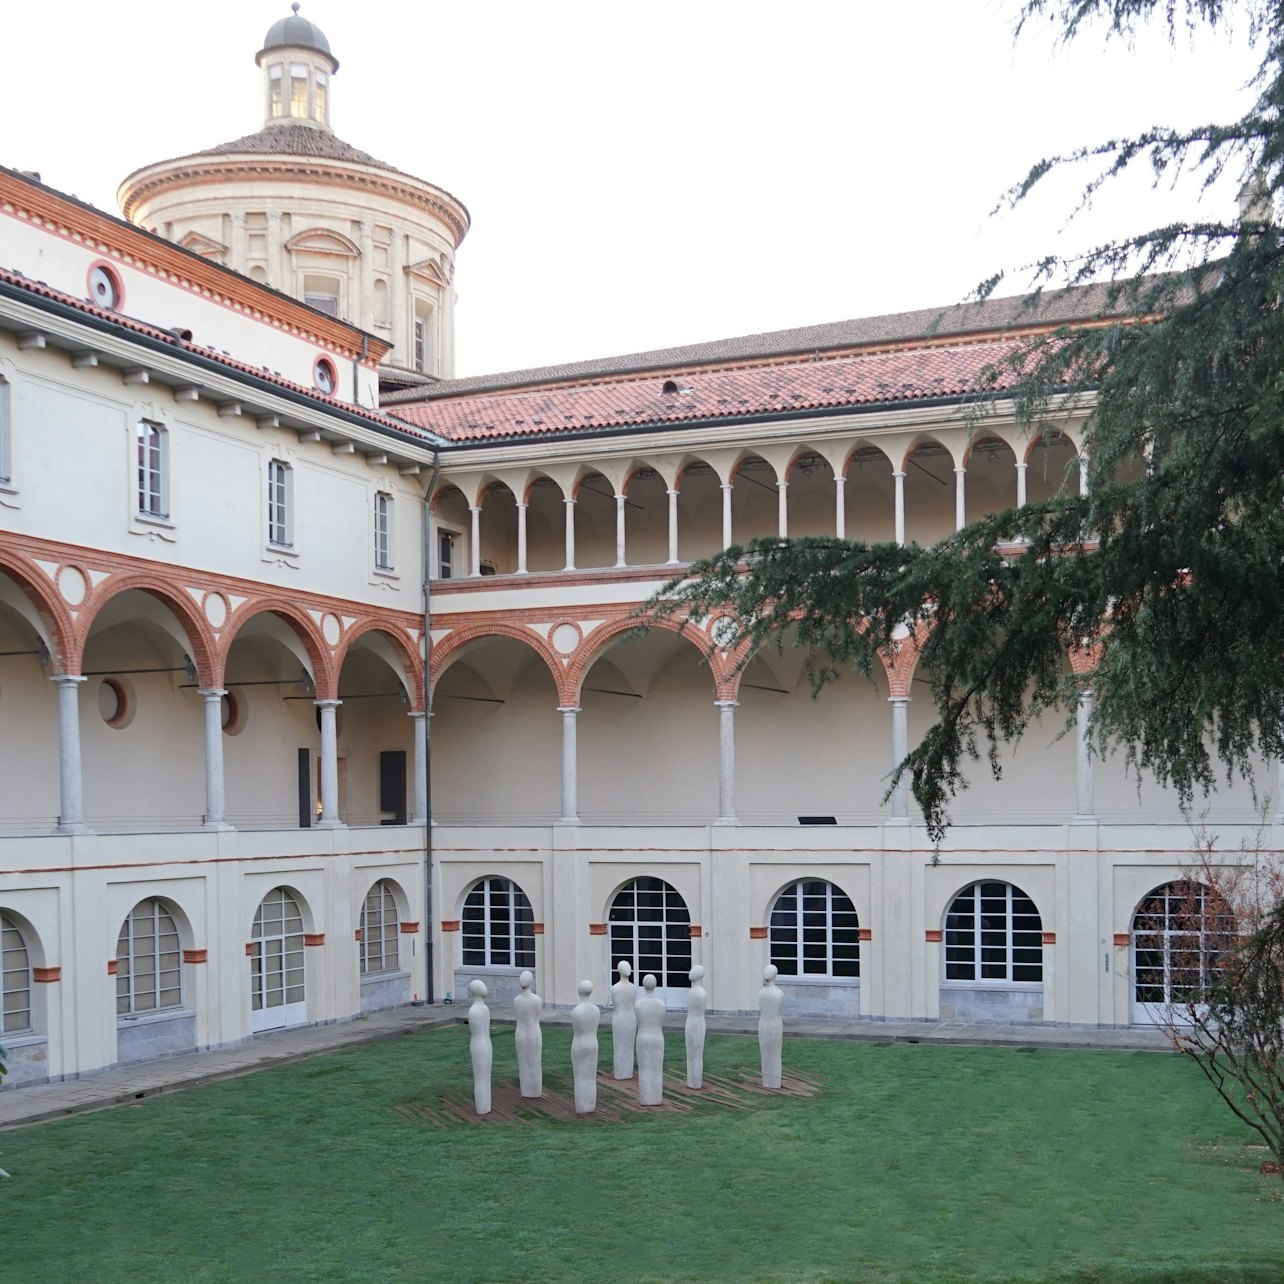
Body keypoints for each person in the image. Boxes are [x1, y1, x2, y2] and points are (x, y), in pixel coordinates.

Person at [635, 973, 666, 1106]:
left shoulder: (638, 1005)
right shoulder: (661, 1004)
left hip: (643, 1037)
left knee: (644, 1069)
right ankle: (656, 1098)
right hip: (657, 1037)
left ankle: (646, 1098)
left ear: (643, 986)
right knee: (656, 1069)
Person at [570, 979, 600, 1114]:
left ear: (579, 992)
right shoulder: (596, 1010)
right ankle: (589, 1104)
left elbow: (577, 1029)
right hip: (593, 1044)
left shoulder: (576, 1011)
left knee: (581, 1076)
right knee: (591, 1076)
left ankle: (582, 1106)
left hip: (580, 1044)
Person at [513, 969, 543, 1098]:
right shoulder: (536, 1000)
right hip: (533, 1032)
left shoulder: (516, 1000)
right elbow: (536, 1017)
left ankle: (526, 1090)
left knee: (523, 1062)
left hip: (520, 1033)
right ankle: (535, 1090)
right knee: (534, 1062)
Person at [467, 978, 492, 1115]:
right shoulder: (476, 1010)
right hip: (480, 1045)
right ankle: (482, 1107)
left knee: (484, 1076)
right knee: (481, 1077)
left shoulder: (482, 1009)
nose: (485, 989)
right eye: (481, 987)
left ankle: (484, 1106)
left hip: (484, 1044)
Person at [610, 959, 638, 1080]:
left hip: (620, 1018)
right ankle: (626, 1072)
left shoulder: (615, 988)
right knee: (628, 1047)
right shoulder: (633, 988)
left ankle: (621, 1072)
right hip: (631, 1018)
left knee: (620, 1046)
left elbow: (616, 1004)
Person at [758, 964, 784, 1090]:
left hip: (763, 1025)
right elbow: (778, 1011)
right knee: (774, 1054)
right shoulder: (779, 993)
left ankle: (768, 1081)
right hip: (774, 1025)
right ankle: (773, 1081)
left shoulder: (761, 993)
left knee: (766, 1054)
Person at [685, 964, 707, 1089]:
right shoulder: (702, 993)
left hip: (690, 1024)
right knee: (697, 1055)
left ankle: (692, 1081)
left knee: (692, 1055)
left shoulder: (691, 993)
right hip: (698, 1024)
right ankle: (695, 1082)